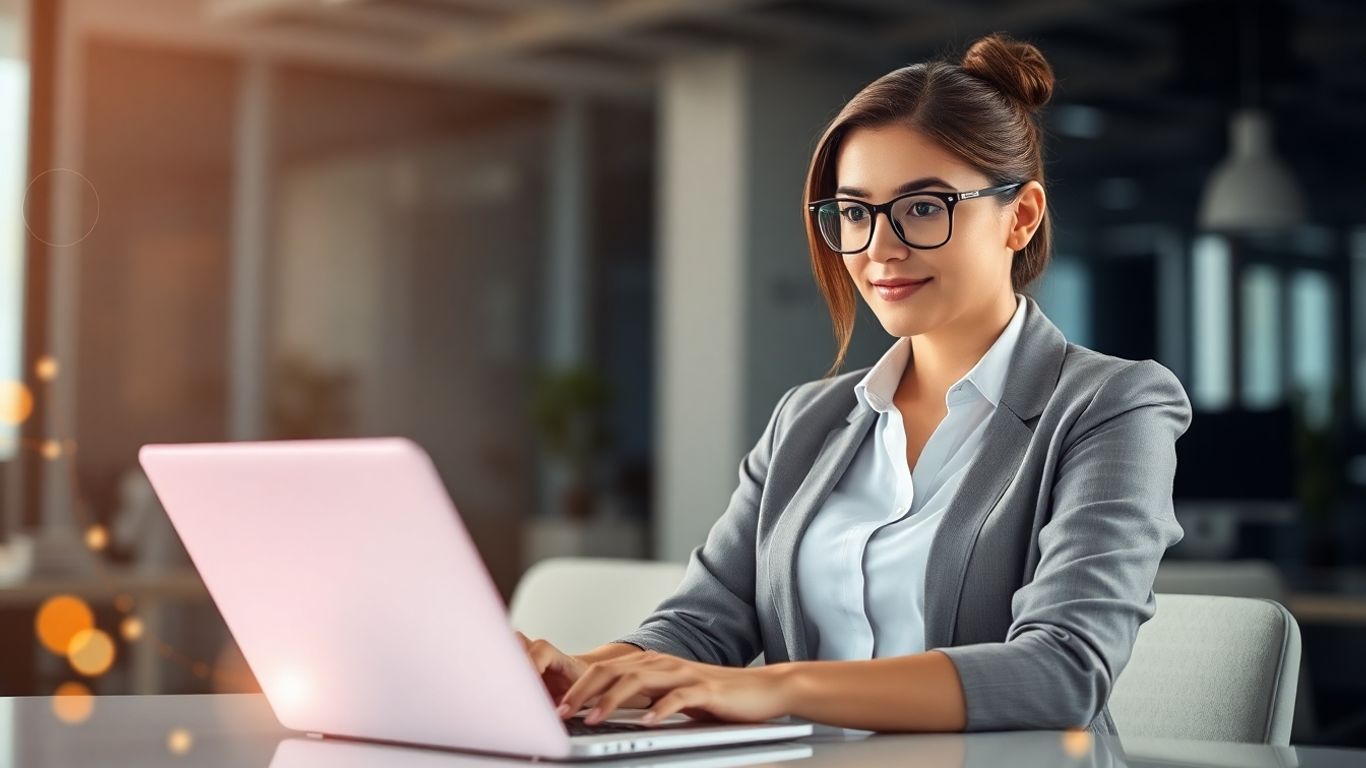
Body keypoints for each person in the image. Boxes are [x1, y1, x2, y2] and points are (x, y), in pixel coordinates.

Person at [518, 32, 1191, 736]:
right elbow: (702, 624)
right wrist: (581, 675)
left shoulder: (1114, 405)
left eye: (924, 207)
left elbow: (1062, 671)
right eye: (853, 211)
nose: (878, 247)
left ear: (1019, 217)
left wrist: (777, 687)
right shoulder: (807, 418)